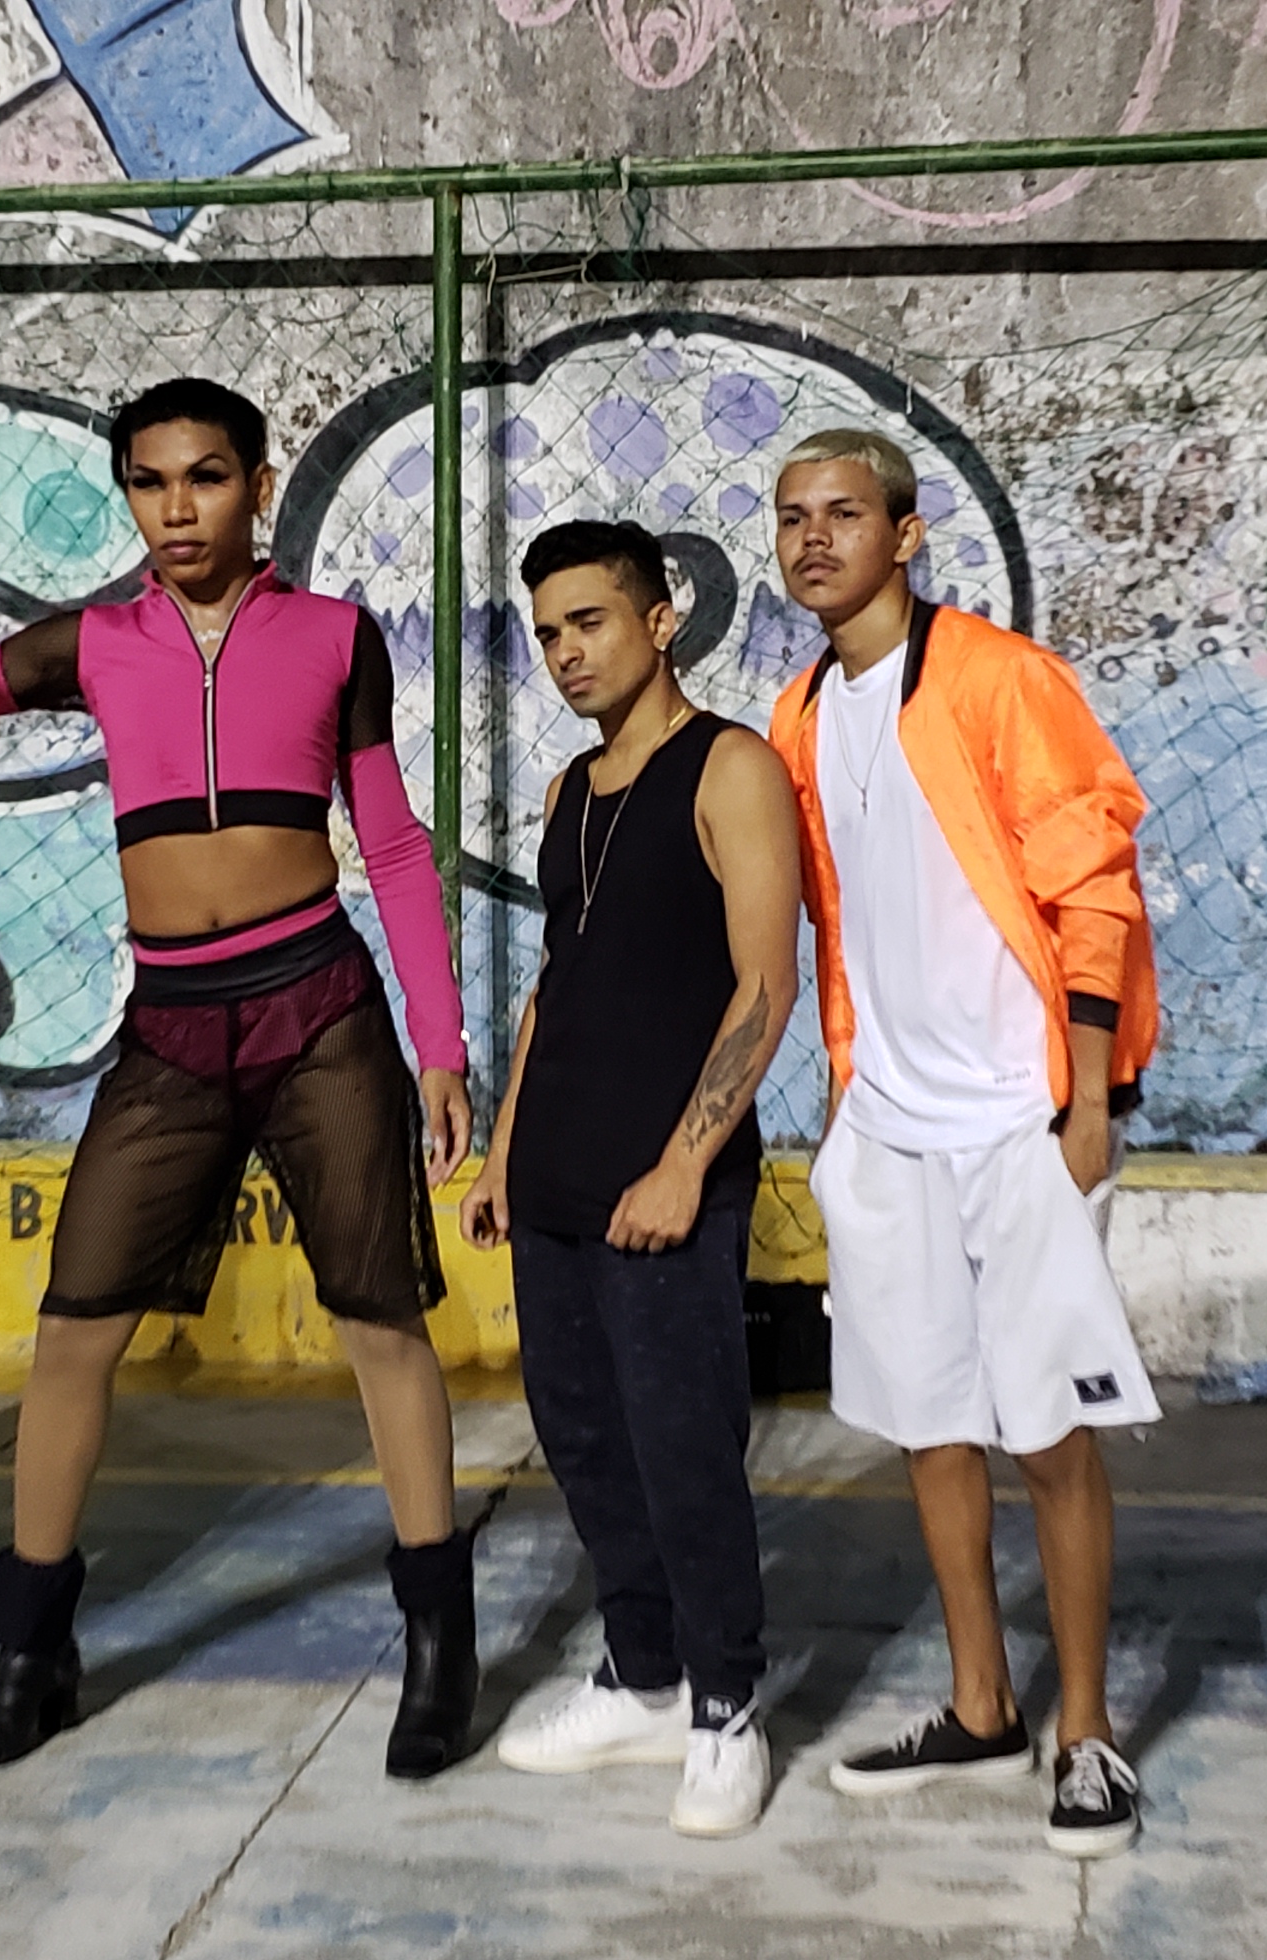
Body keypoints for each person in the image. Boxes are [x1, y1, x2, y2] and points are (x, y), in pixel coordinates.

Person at [0, 377, 483, 1779]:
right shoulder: (94, 644)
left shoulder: (335, 639)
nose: (178, 509)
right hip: (171, 1029)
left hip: (320, 1013)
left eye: (206, 477)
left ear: (258, 486)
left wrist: (440, 1045)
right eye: (149, 483)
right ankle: (34, 1650)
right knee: (75, 1326)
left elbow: (393, 847)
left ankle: (438, 1646)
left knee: (381, 1321)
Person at [763, 428, 1163, 1859]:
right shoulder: (798, 715)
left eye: (844, 513)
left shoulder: (1000, 679)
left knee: (1048, 1432)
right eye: (792, 517)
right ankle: (982, 1703)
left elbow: (1093, 880)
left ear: (907, 533)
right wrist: (846, 1094)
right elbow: (836, 925)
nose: (815, 539)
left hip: (1019, 1115)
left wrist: (1091, 1095)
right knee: (932, 1425)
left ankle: (1088, 1732)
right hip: (889, 1124)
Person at [462, 521, 799, 1838]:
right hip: (557, 1171)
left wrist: (683, 1164)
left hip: (666, 1181)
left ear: (661, 621)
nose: (565, 652)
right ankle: (646, 1673)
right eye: (547, 631)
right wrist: (504, 1150)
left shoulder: (732, 768)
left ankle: (726, 1704)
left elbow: (765, 987)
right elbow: (558, 984)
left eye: (589, 621)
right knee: (584, 1437)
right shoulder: (569, 791)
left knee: (683, 1443)